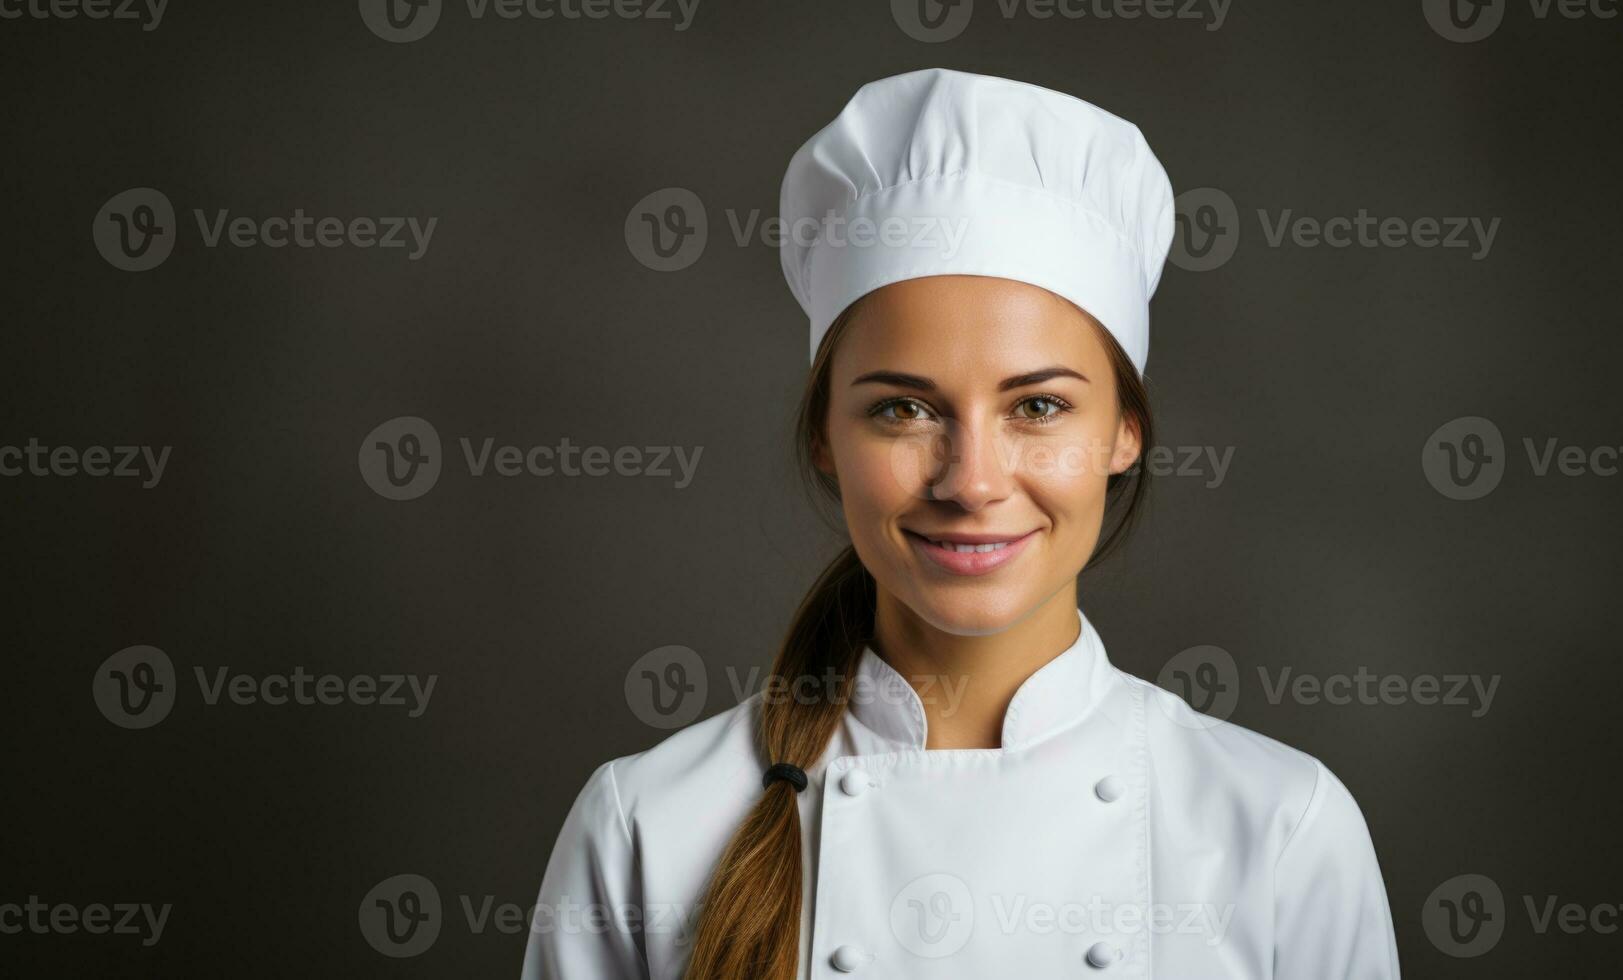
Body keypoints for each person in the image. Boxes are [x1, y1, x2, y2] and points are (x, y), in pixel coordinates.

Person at [522, 67, 1401, 980]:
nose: (972, 481)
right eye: (903, 411)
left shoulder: (1282, 831)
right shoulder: (647, 827)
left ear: (1123, 432)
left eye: (1039, 408)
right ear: (825, 436)